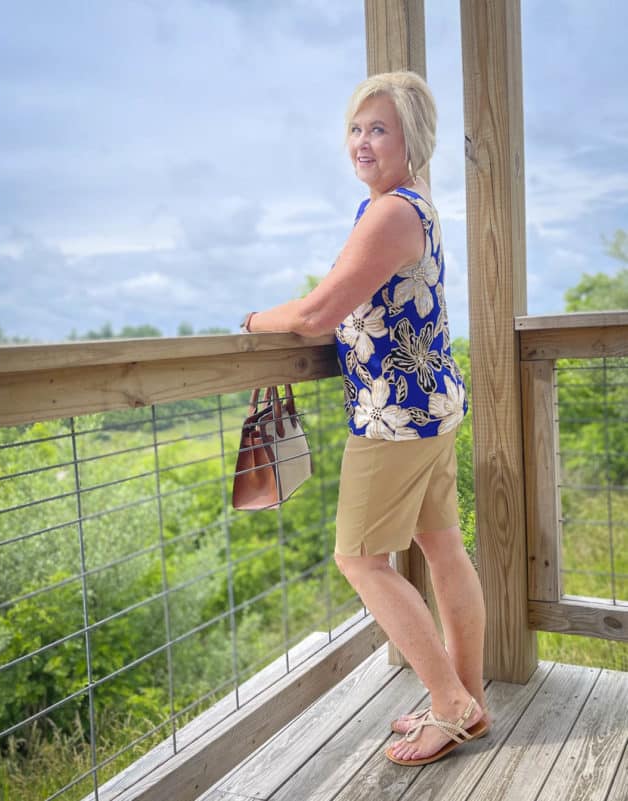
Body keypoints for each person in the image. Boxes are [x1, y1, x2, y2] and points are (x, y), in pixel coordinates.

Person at [240, 70, 488, 767]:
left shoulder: (390, 213)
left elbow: (319, 311)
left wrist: (253, 320)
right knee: (443, 549)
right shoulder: (415, 206)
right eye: (355, 128)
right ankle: (467, 700)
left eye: (379, 128)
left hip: (393, 420)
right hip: (431, 406)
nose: (362, 141)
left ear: (414, 140)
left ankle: (451, 705)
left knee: (359, 559)